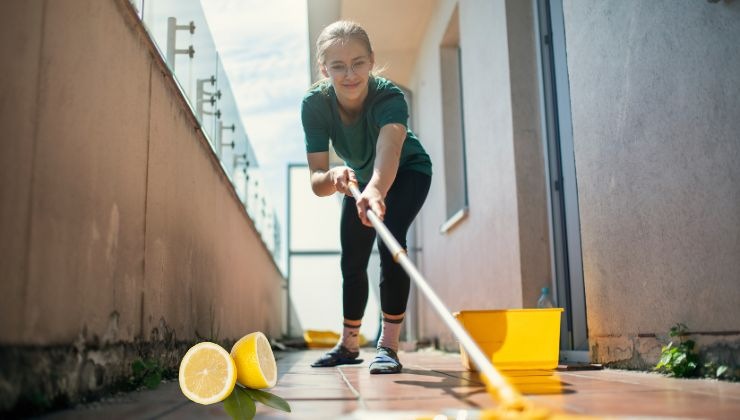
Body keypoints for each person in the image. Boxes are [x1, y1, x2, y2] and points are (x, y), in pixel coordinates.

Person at [300, 20, 432, 374]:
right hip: (357, 180)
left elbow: (389, 150)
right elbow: (317, 181)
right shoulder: (315, 104)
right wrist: (334, 176)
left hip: (407, 173)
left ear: (372, 60)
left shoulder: (389, 96)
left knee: (392, 243)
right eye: (338, 65)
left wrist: (376, 190)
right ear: (323, 68)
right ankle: (349, 344)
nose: (349, 74)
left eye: (358, 62)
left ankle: (388, 346)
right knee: (352, 259)